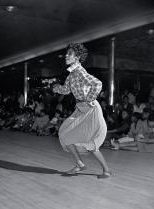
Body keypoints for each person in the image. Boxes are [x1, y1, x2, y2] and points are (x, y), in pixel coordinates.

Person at [53, 43, 111, 178]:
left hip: (90, 109)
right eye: (66, 53)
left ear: (77, 57)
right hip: (81, 109)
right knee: (65, 134)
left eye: (70, 54)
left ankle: (106, 170)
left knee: (91, 143)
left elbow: (97, 84)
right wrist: (57, 88)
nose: (66, 56)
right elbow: (67, 90)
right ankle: (80, 164)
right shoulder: (72, 74)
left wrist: (89, 100)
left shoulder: (79, 71)